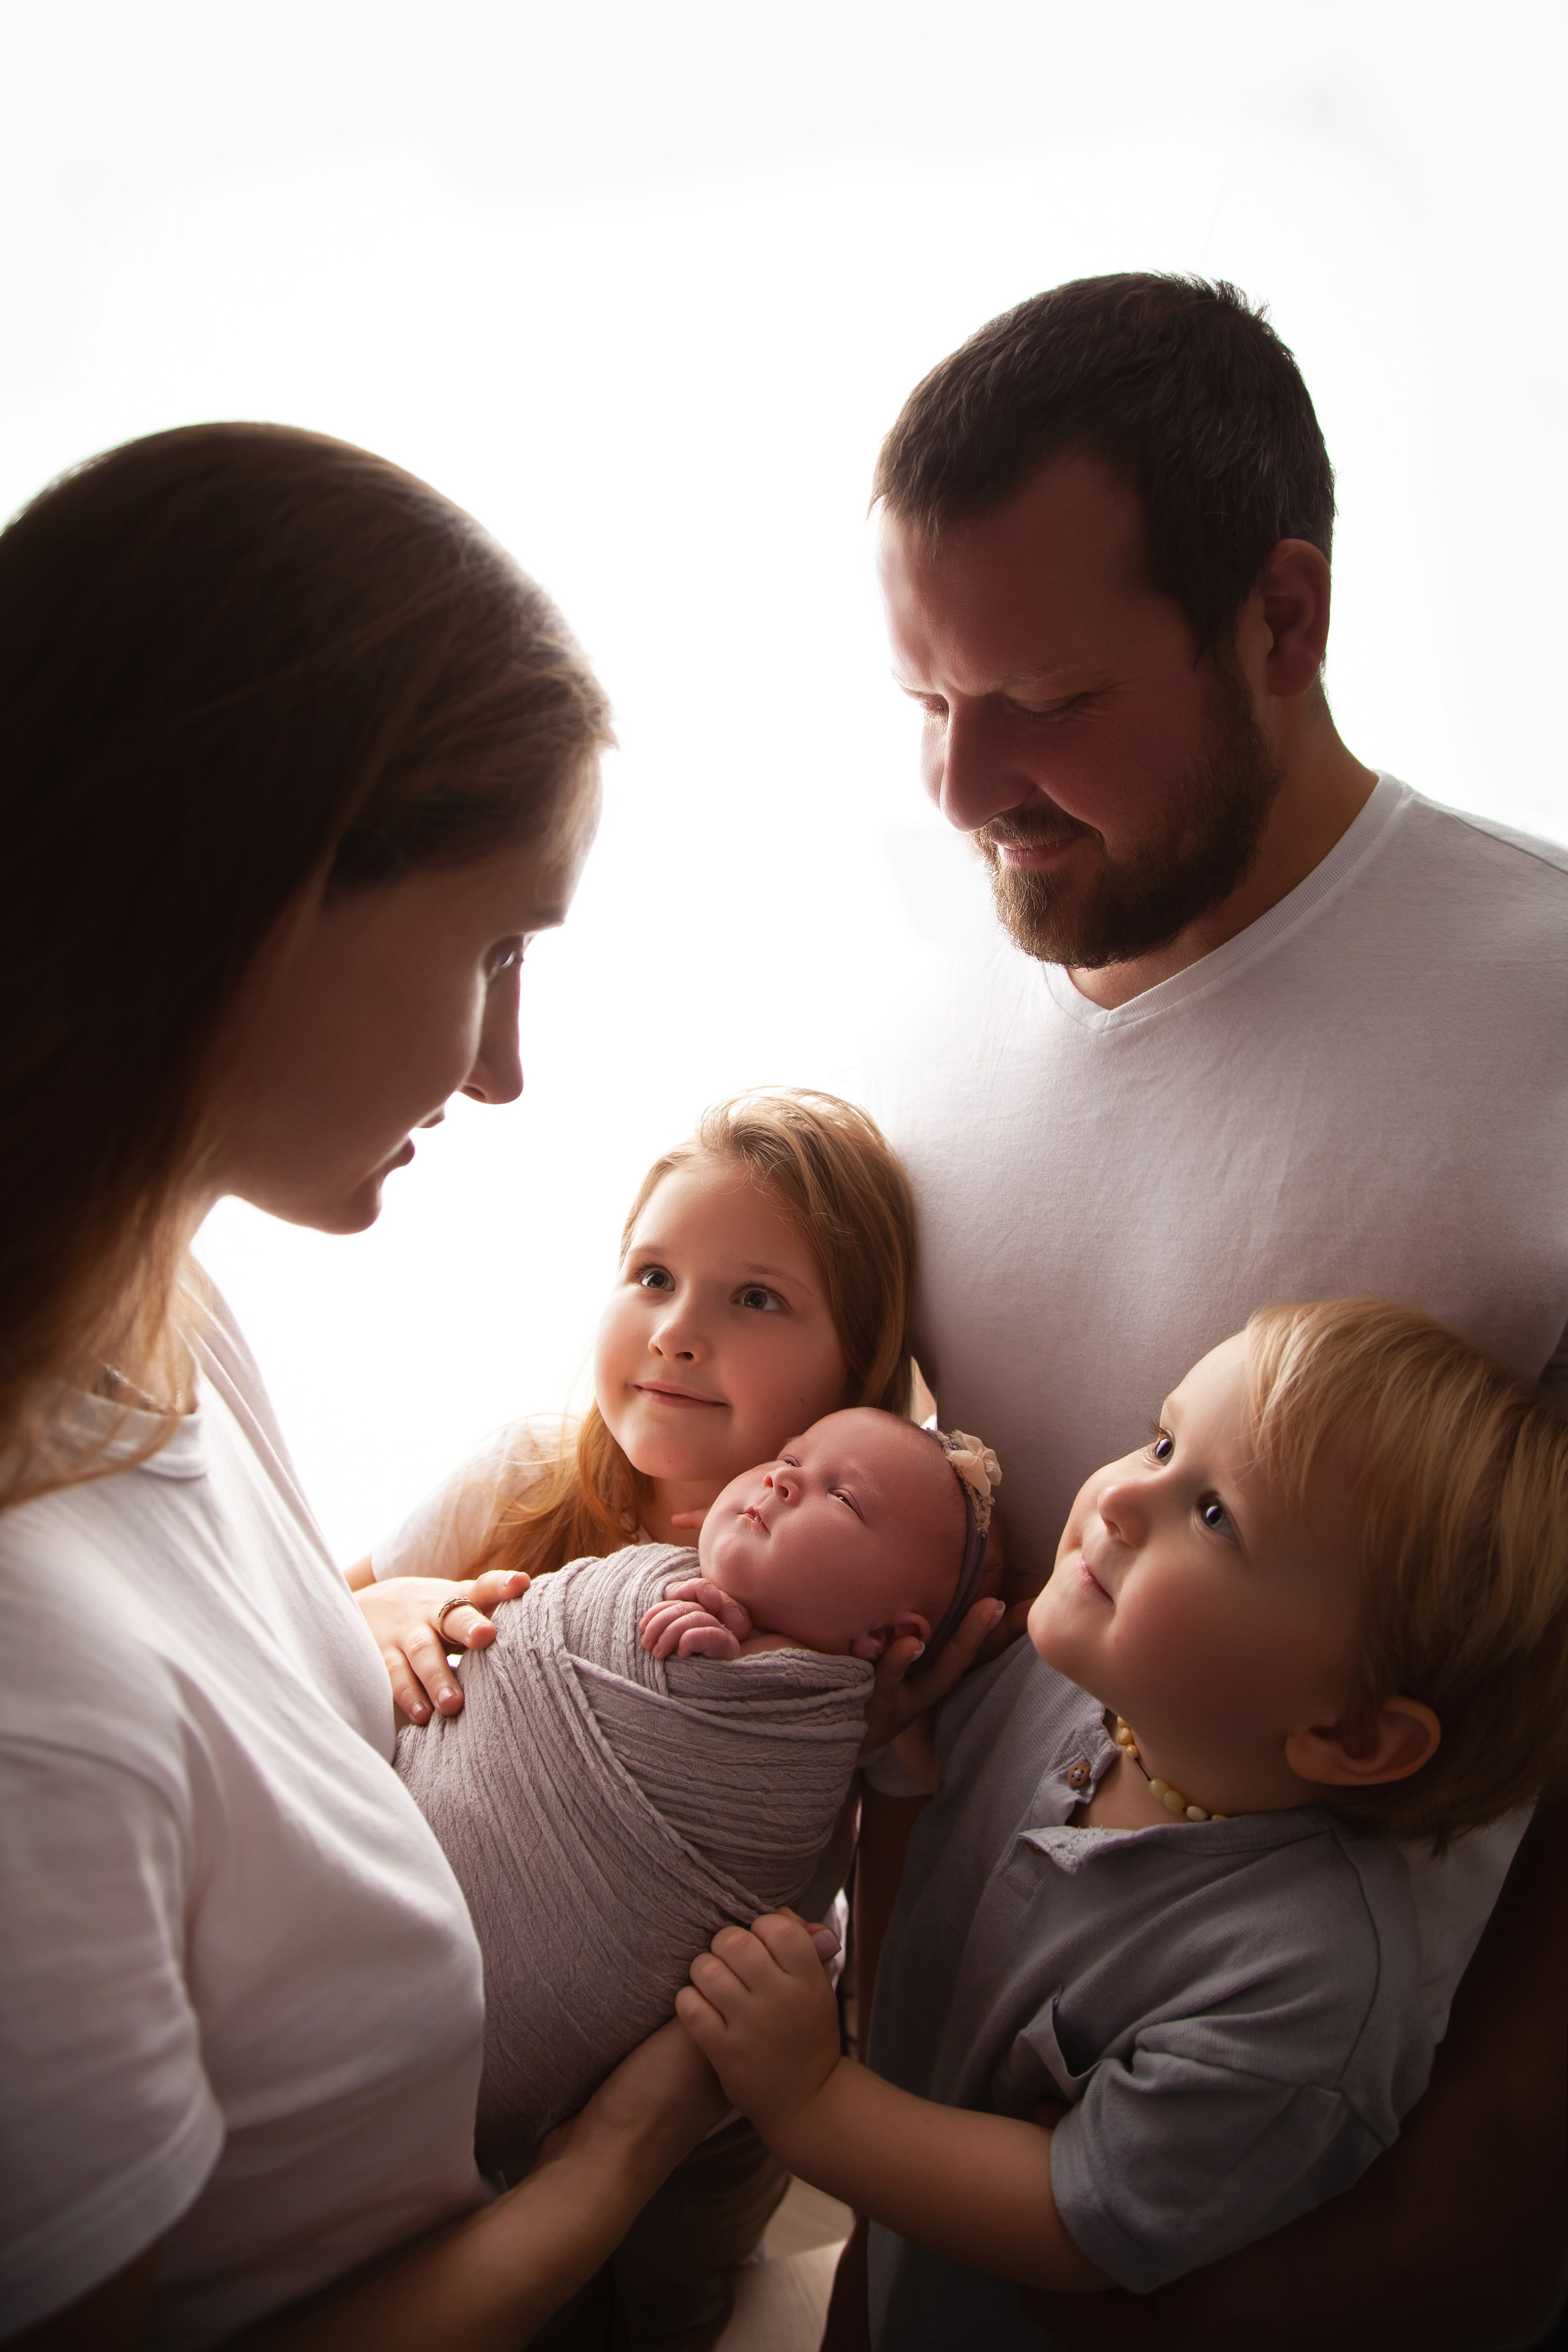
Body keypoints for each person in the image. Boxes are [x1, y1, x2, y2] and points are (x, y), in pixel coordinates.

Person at [846, 273, 1568, 2345]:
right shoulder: (935, 1037)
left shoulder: (1543, 1013)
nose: (966, 789)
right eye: (924, 700)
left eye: (1050, 703)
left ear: (1284, 619)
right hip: (940, 2171)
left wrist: (1458, 2237)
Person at [0, 421, 733, 2350]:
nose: (502, 1067)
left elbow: (194, 1696)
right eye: (492, 944)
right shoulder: (27, 1711)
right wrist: (636, 2143)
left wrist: (346, 1620)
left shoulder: (142, 1306)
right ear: (240, 891)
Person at [682, 1303, 1568, 2340]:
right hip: (888, 2285)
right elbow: (916, 1773)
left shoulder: (1306, 1986)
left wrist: (813, 2102)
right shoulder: (1063, 1685)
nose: (1119, 1497)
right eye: (1163, 1440)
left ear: (1353, 1736)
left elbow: (1076, 2212)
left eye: (1217, 1516)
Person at [356, 1092, 1006, 2351]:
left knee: (662, 2302)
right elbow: (293, 1630)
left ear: (856, 1368)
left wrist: (897, 1753)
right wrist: (383, 1608)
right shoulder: (523, 1479)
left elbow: (890, 1942)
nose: (676, 1333)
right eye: (650, 1274)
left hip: (692, 2114)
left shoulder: (858, 1626)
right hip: (451, 2031)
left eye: (753, 1299)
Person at [390, 1409, 997, 2185]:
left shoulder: (810, 1736)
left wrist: (723, 1670)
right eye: (790, 1457)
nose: (782, 1479)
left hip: (502, 2037)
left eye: (841, 1499)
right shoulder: (591, 1524)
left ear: (883, 1640)